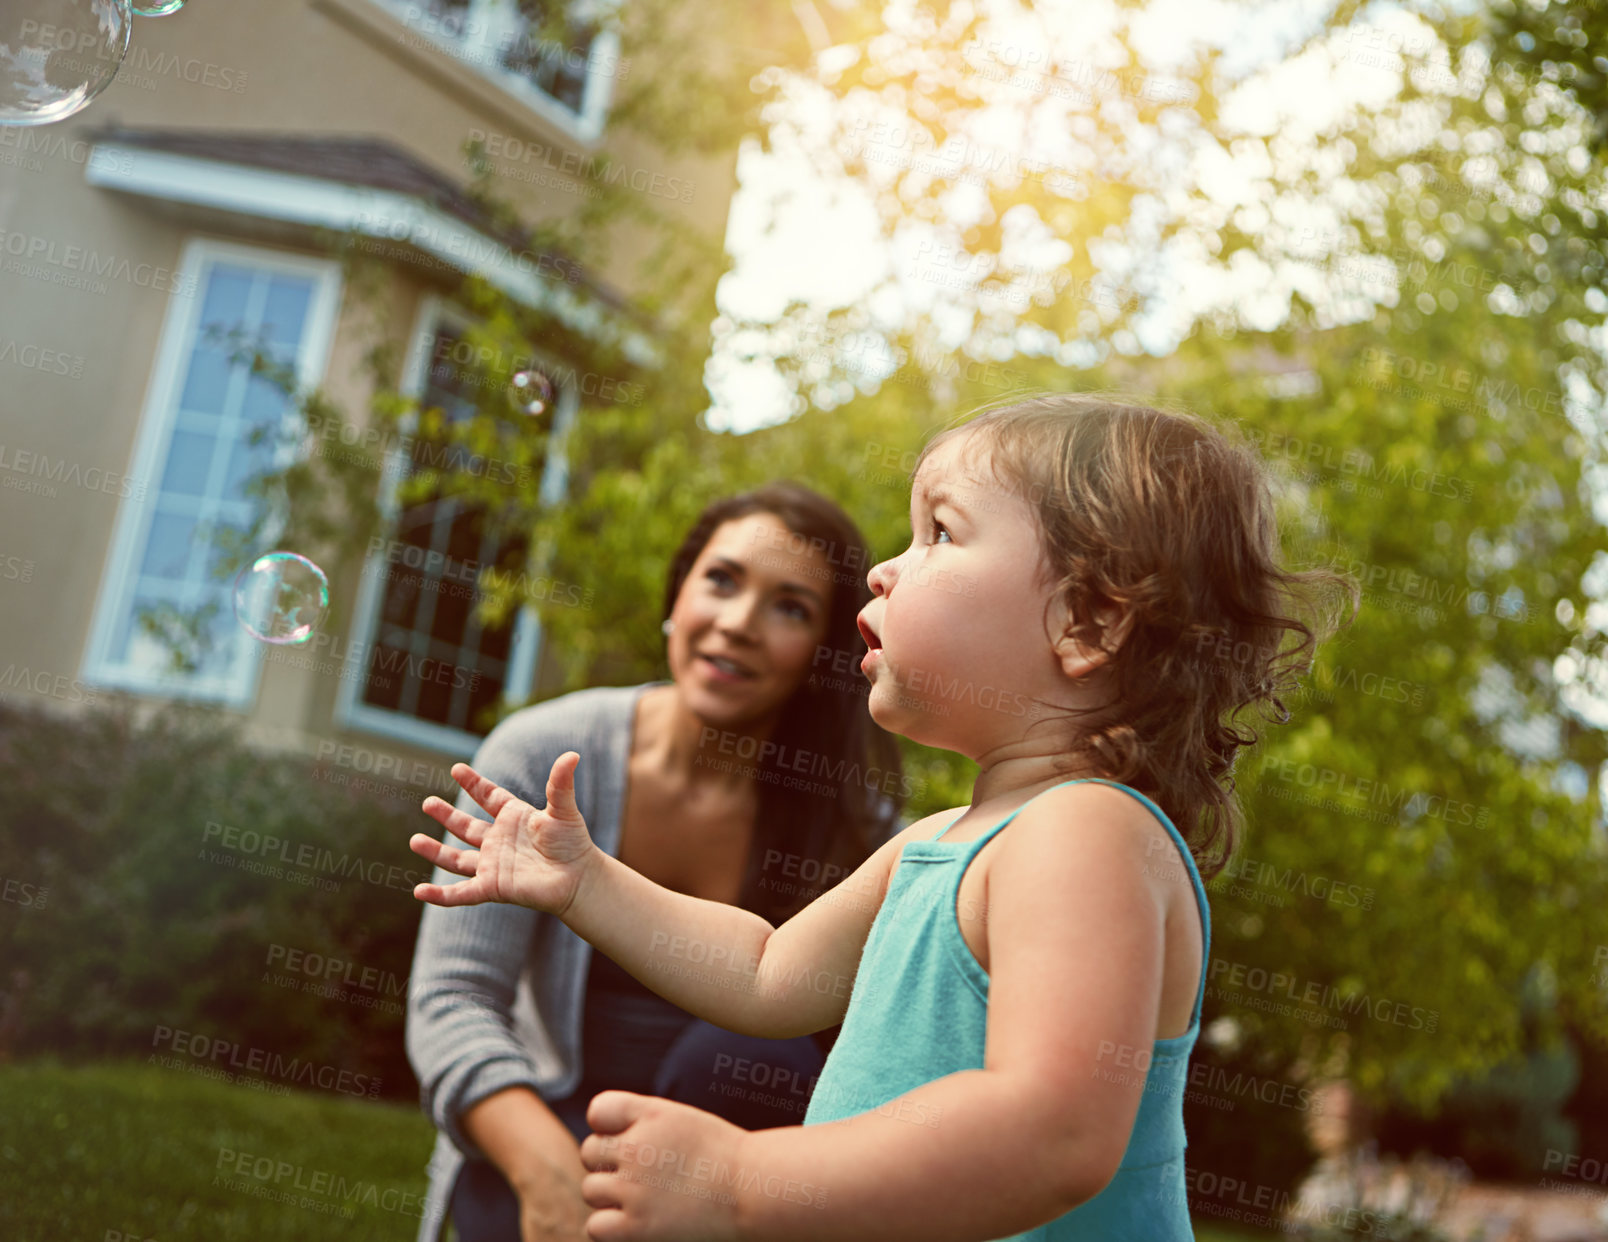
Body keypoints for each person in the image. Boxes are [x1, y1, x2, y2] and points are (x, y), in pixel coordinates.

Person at [409, 392, 1359, 1241]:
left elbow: (1056, 1130)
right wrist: (588, 881)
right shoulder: (938, 844)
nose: (884, 572)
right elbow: (764, 973)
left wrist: (742, 1182)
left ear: (1088, 625)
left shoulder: (1087, 837)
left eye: (940, 533)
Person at [404, 481, 906, 1242]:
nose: (738, 624)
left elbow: (866, 1056)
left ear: (823, 654)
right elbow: (452, 1001)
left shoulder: (851, 822)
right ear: (678, 594)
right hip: (549, 1126)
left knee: (742, 1046)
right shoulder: (543, 754)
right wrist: (547, 1174)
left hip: (729, 1163)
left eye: (790, 608)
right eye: (722, 580)